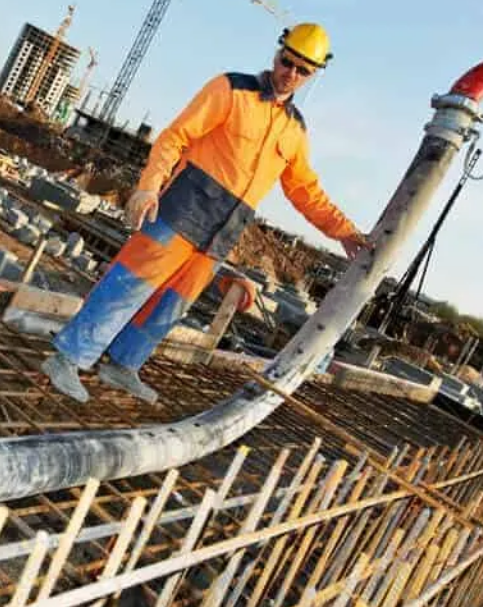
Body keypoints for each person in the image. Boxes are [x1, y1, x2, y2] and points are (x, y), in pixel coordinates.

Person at [40, 23, 371, 403]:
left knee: (171, 304)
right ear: (277, 53)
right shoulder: (231, 89)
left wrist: (343, 231)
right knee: (128, 286)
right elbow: (175, 136)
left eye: (302, 70)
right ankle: (67, 358)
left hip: (222, 231)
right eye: (287, 62)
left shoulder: (294, 130)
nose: (290, 74)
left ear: (313, 74)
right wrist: (149, 185)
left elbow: (304, 190)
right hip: (182, 209)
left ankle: (122, 364)